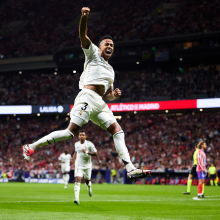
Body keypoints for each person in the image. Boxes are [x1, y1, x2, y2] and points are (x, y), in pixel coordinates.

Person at [22, 6, 151, 180]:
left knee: (118, 131)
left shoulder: (111, 70)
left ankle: (130, 168)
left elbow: (109, 94)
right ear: (99, 47)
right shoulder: (93, 55)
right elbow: (83, 36)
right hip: (87, 97)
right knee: (70, 132)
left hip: (100, 102)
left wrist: (115, 95)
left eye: (112, 45)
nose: (110, 46)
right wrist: (84, 18)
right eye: (107, 44)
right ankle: (31, 146)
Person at [72, 130, 97, 205]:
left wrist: (86, 152)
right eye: (80, 135)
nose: (81, 136)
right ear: (78, 136)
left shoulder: (89, 144)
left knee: (87, 181)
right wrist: (72, 159)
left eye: (83, 135)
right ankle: (77, 198)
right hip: (78, 166)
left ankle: (89, 188)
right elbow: (76, 152)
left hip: (87, 166)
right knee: (77, 180)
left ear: (85, 136)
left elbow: (96, 153)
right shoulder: (76, 144)